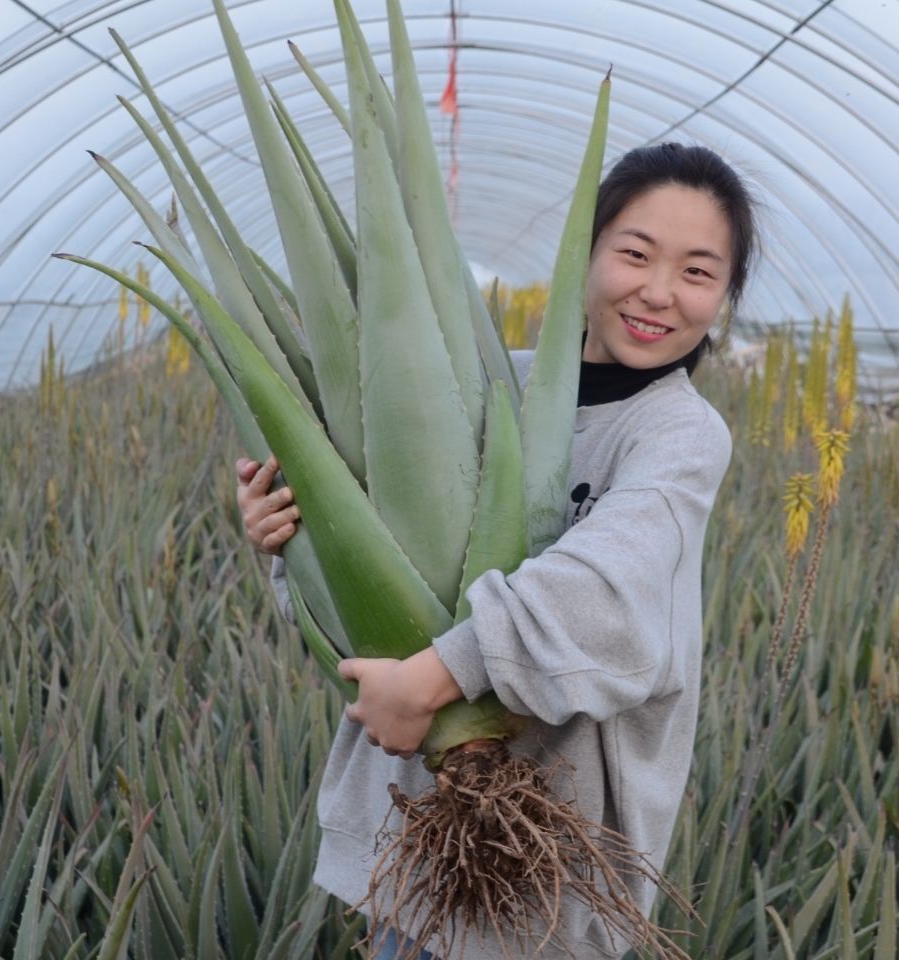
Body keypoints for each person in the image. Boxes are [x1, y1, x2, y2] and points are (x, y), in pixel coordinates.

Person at [236, 142, 760, 960]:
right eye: (633, 253)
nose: (659, 292)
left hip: (552, 885)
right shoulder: (485, 388)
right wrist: (289, 538)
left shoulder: (678, 433)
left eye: (698, 272)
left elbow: (607, 589)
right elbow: (378, 567)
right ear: (582, 255)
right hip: (418, 856)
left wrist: (434, 676)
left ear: (726, 296)